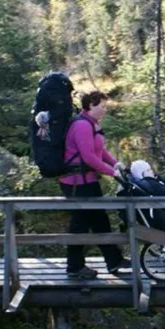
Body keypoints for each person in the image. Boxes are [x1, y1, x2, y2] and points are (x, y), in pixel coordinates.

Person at [58, 91, 131, 279]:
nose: (104, 110)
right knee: (80, 225)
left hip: (87, 180)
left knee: (100, 221)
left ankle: (113, 260)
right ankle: (74, 267)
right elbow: (89, 157)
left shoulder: (91, 124)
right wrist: (112, 172)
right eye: (102, 106)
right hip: (76, 184)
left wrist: (115, 163)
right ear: (90, 105)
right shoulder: (82, 125)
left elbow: (99, 151)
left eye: (106, 106)